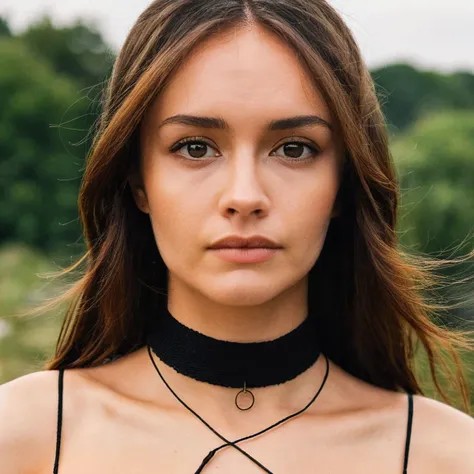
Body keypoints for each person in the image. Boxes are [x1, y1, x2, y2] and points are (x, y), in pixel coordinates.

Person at [1, 0, 473, 472]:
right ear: (137, 181)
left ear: (343, 186)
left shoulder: (447, 455)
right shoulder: (25, 435)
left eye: (294, 148)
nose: (245, 196)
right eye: (195, 147)